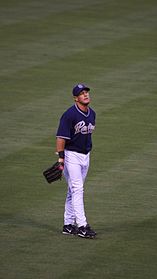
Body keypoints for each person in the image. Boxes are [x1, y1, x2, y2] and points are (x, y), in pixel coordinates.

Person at [55, 83, 96, 238]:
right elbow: (60, 137)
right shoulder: (69, 115)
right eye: (82, 93)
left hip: (86, 156)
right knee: (78, 189)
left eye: (86, 92)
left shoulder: (92, 114)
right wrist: (61, 158)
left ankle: (68, 224)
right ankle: (83, 226)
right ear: (75, 98)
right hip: (71, 156)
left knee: (73, 190)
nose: (85, 95)